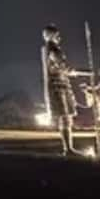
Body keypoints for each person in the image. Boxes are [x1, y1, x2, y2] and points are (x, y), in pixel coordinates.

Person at [41, 25, 88, 156]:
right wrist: (79, 72)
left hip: (61, 84)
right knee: (65, 116)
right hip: (58, 86)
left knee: (67, 117)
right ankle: (68, 149)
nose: (59, 37)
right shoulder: (51, 50)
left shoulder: (53, 49)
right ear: (50, 35)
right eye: (57, 35)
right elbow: (62, 67)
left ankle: (68, 148)